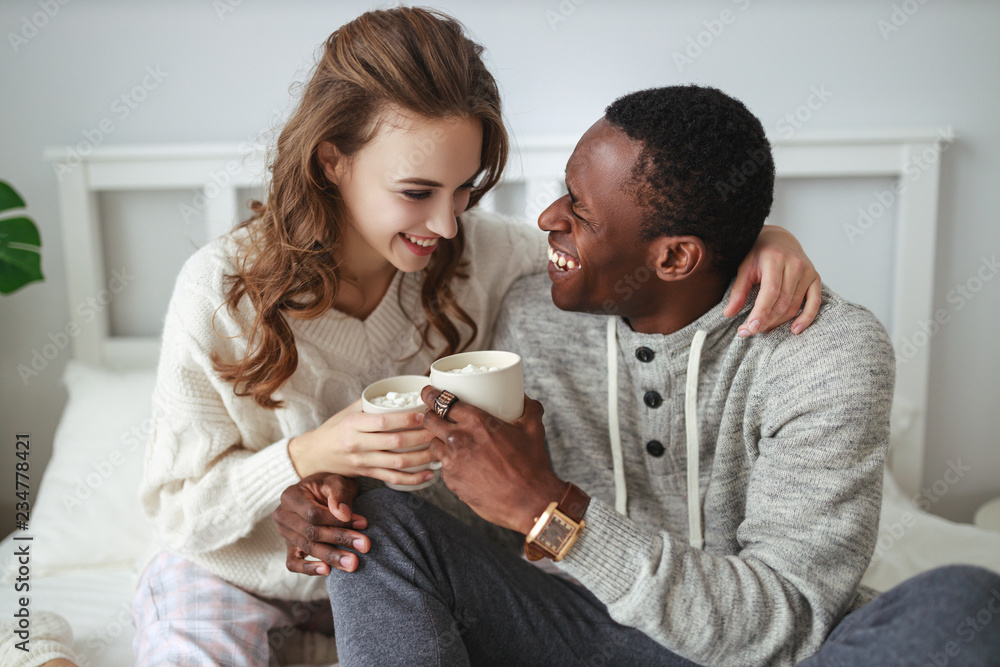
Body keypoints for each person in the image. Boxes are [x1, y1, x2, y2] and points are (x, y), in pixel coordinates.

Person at [97, 8, 826, 667]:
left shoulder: (486, 256)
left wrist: (758, 235)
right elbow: (175, 510)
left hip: (417, 566)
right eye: (416, 192)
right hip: (239, 570)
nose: (445, 225)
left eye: (465, 190)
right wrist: (309, 454)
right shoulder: (222, 290)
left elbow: (637, 251)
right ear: (332, 160)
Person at [274, 85, 1000, 666]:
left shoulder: (827, 352)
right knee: (381, 529)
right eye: (562, 191)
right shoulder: (530, 309)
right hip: (563, 633)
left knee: (969, 605)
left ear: (677, 258)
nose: (548, 218)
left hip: (758, 653)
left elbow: (785, 621)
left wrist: (551, 510)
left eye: (578, 210)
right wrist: (339, 497)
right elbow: (463, 530)